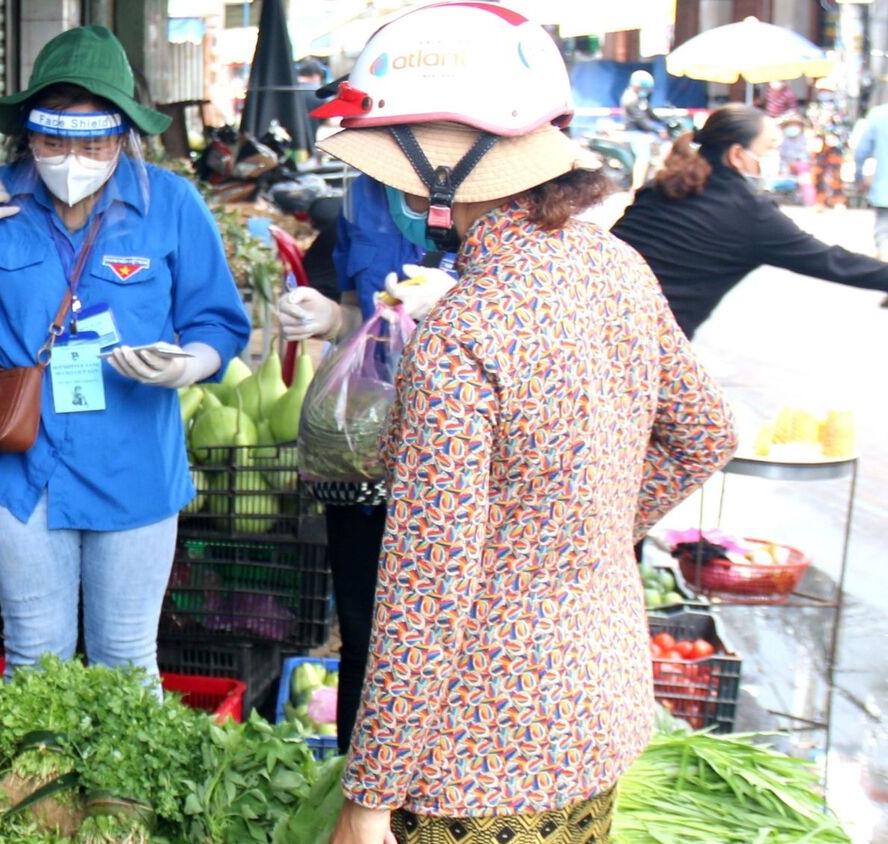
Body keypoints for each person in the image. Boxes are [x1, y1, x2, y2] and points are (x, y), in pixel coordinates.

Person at [310, 4, 737, 842]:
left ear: (441, 165)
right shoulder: (613, 264)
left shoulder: (462, 336)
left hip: (478, 758)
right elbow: (706, 435)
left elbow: (426, 593)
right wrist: (573, 539)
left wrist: (367, 799)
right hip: (595, 711)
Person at [0, 25, 251, 673]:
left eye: (93, 139)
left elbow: (219, 323)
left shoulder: (170, 204)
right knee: (34, 653)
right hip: (22, 470)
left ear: (125, 134)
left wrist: (191, 364)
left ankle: (118, 782)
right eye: (52, 138)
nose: (72, 154)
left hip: (135, 469)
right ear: (26, 135)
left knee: (125, 656)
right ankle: (37, 780)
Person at [274, 170, 454, 754]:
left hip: (457, 455)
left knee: (445, 638)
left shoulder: (503, 193)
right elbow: (361, 316)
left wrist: (455, 309)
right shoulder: (364, 196)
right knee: (364, 633)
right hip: (366, 451)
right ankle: (355, 788)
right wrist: (330, 318)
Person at [611, 104, 888, 338]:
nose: (771, 158)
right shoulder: (749, 213)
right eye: (768, 149)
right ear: (736, 154)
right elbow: (833, 262)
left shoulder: (662, 184)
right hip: (648, 344)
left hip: (590, 315)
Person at [852, 103, 888, 260]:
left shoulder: (878, 115)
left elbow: (861, 151)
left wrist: (859, 175)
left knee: (884, 231)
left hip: (884, 186)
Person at [621, 70, 665, 135]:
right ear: (636, 86)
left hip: (641, 131)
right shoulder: (630, 99)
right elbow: (640, 119)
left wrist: (663, 121)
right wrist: (658, 131)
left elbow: (649, 112)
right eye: (643, 88)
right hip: (633, 132)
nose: (645, 91)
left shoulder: (640, 98)